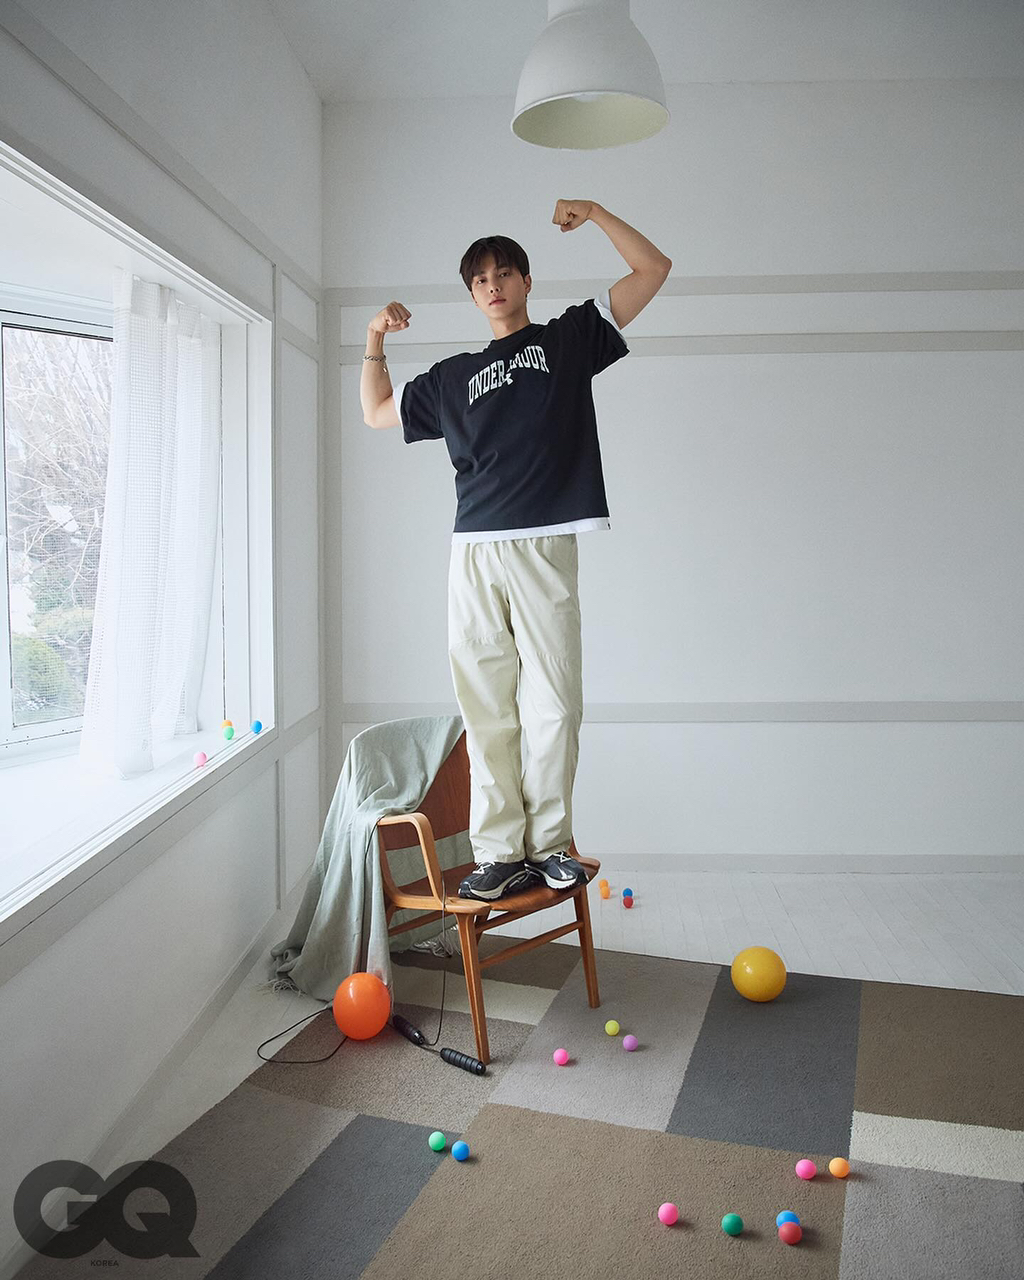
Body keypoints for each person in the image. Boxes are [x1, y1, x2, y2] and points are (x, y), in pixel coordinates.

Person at [361, 199, 671, 902]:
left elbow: (653, 270)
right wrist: (374, 336)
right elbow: (376, 411)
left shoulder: (565, 342)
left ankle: (552, 844)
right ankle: (500, 853)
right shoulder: (452, 376)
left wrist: (596, 214)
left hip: (542, 545)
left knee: (554, 701)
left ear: (526, 281)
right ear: (472, 296)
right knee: (486, 708)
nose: (493, 285)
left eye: (504, 273)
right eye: (480, 280)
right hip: (473, 551)